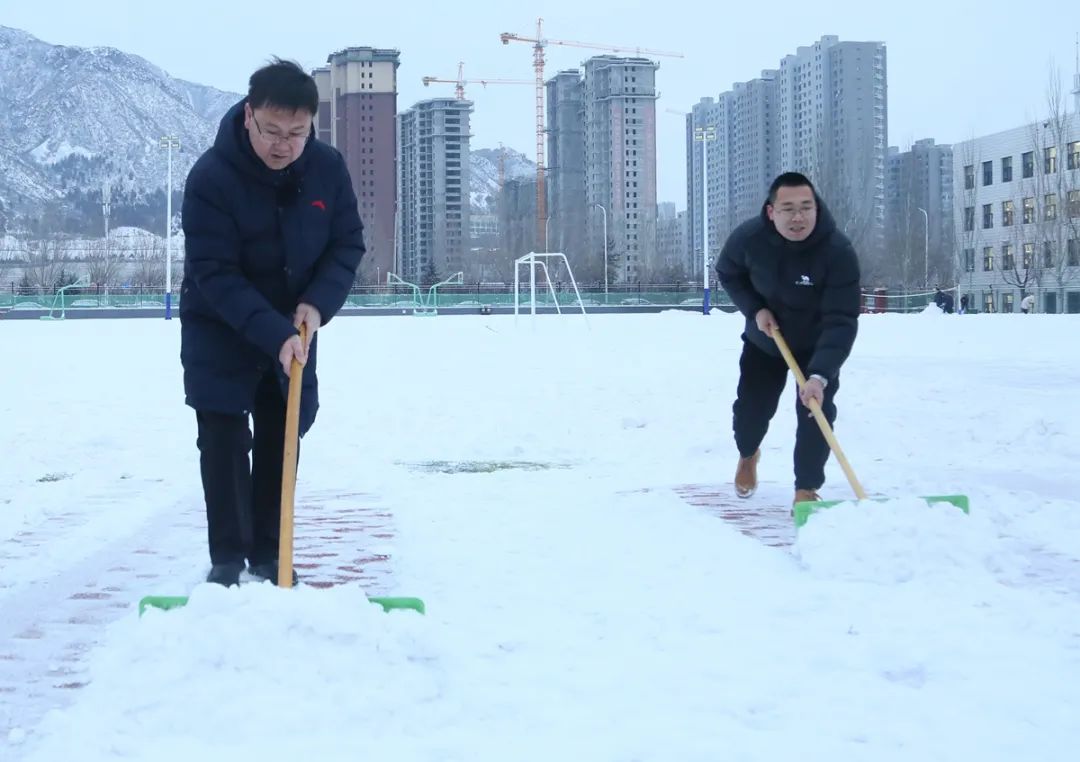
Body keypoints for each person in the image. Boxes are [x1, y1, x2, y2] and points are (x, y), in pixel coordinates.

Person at [180, 58, 365, 587]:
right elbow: (215, 273)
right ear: (247, 116)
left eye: (296, 133)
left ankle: (271, 555)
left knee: (284, 430)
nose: (282, 145)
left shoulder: (327, 168)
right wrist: (275, 331)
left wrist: (316, 303)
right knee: (223, 436)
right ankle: (228, 561)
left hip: (296, 326)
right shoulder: (210, 178)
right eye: (271, 131)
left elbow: (346, 242)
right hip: (219, 325)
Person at [716, 172, 861, 507]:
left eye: (806, 207)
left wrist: (820, 375)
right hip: (766, 342)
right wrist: (755, 309)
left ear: (817, 208)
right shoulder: (748, 239)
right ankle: (748, 454)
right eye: (789, 208)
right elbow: (728, 272)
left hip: (817, 347)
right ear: (771, 212)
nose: (799, 217)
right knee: (751, 413)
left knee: (816, 414)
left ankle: (806, 490)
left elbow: (842, 319)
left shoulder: (838, 252)